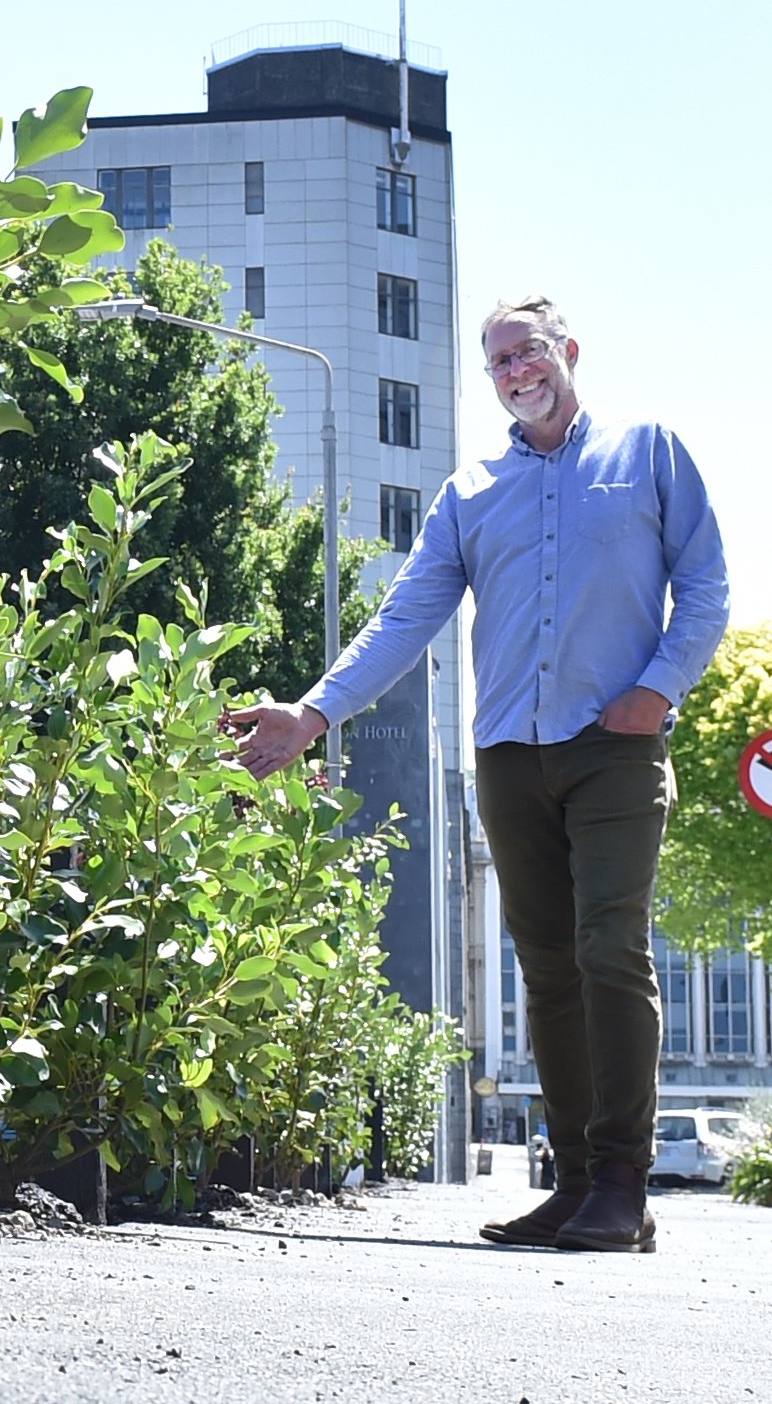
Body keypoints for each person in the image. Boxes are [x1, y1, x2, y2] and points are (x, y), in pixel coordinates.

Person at [223, 295, 727, 1254]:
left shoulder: (649, 451)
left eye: (526, 352)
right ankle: (576, 1183)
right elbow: (406, 618)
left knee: (610, 948)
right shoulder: (471, 490)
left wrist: (657, 690)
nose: (513, 372)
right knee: (547, 971)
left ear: (567, 351)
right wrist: (314, 712)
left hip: (616, 744)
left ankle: (624, 1184)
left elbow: (706, 584)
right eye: (495, 363)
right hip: (509, 754)